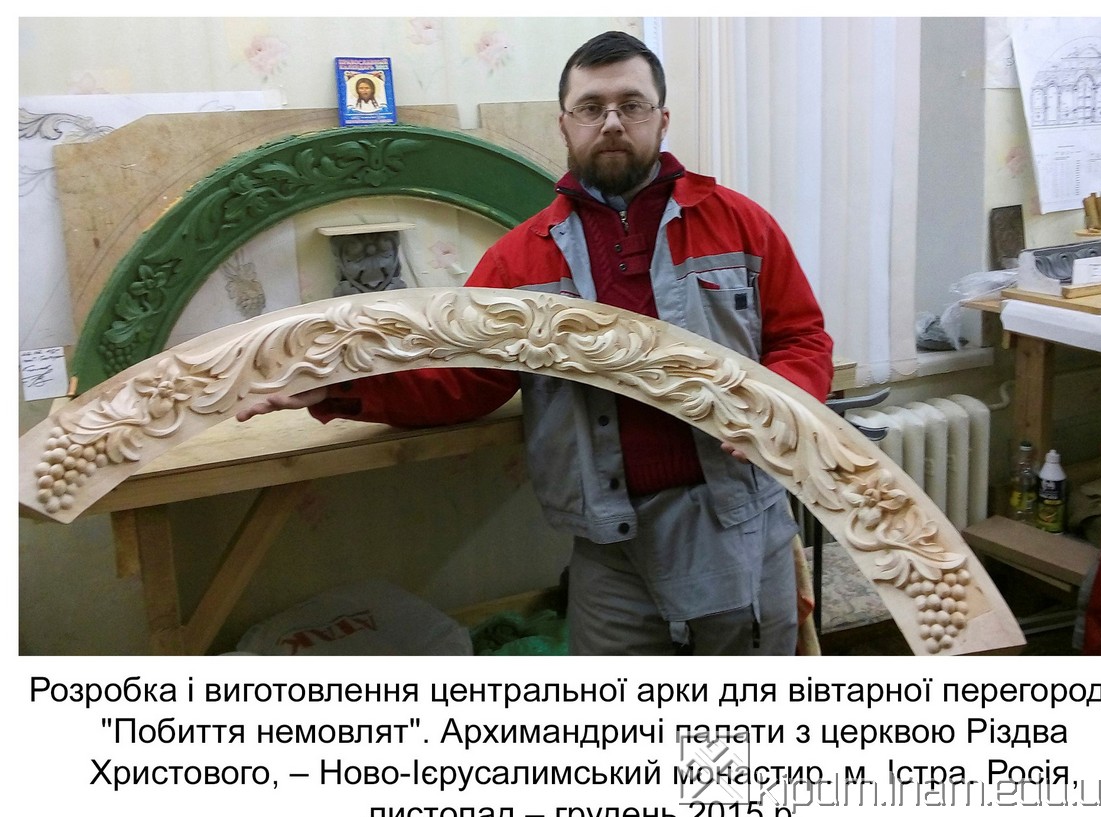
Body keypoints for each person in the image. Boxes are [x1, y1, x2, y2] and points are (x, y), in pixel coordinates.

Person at [239, 31, 834, 656]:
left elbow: (800, 337)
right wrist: (337, 383)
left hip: (736, 523)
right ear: (565, 125)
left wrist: (779, 404)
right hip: (609, 546)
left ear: (662, 119)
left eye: (631, 105)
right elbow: (462, 377)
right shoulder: (518, 260)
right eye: (591, 107)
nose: (611, 122)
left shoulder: (741, 224)